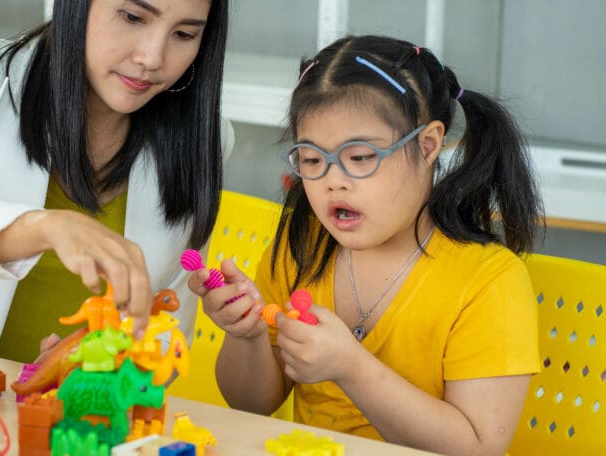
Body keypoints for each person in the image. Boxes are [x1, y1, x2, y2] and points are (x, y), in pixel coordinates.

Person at [188, 35, 542, 455]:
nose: (333, 180)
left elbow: (477, 449)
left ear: (428, 145)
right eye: (312, 160)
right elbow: (251, 403)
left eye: (359, 157)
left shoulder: (489, 282)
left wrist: (351, 368)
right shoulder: (302, 247)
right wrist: (246, 336)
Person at [0, 0, 231, 360]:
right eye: (132, 17)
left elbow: (167, 332)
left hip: (80, 409)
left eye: (184, 34)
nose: (152, 58)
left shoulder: (204, 138)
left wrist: (93, 375)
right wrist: (44, 228)